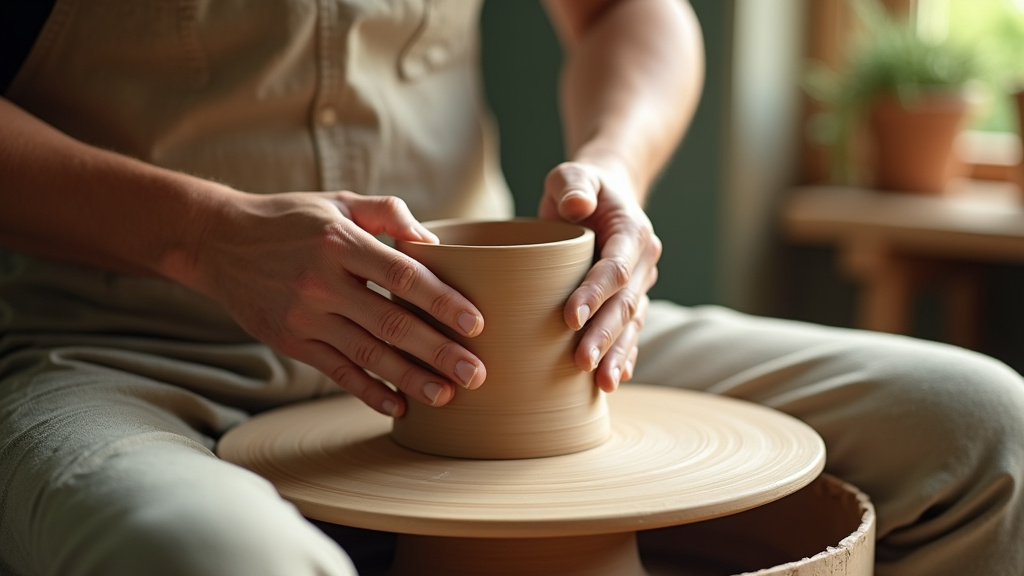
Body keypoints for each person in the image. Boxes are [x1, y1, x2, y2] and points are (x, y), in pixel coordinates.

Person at [0, 1, 1020, 575]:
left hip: (499, 336)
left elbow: (627, 13)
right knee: (228, 564)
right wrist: (204, 234)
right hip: (131, 344)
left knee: (982, 429)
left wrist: (615, 165)